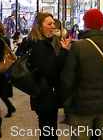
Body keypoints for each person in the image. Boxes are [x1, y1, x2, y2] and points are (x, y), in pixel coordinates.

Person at [61, 9, 103, 140]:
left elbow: (67, 80)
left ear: (85, 24)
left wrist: (69, 105)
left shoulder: (78, 47)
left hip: (82, 106)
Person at [22, 11, 71, 140]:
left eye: (53, 23)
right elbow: (52, 70)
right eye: (49, 24)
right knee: (49, 133)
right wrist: (64, 52)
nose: (53, 27)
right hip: (45, 96)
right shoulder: (39, 46)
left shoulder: (41, 43)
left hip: (44, 95)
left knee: (48, 131)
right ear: (39, 26)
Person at [0, 19, 16, 118]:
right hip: (2, 69)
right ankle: (9, 107)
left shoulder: (0, 39)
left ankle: (10, 107)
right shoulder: (0, 39)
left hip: (1, 69)